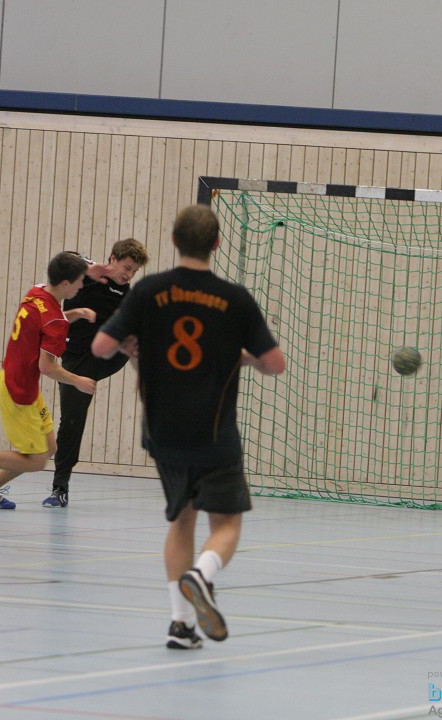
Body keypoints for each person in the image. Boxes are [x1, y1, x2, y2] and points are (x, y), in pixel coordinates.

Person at [92, 204, 285, 649]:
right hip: (214, 433)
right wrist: (241, 354)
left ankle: (180, 625)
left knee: (181, 521)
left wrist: (134, 344)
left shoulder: (148, 291)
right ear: (216, 244)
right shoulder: (235, 299)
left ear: (174, 242)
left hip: (163, 431)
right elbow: (274, 364)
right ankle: (202, 574)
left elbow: (102, 346)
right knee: (227, 523)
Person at [0, 251, 97, 507]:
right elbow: (47, 367)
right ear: (66, 284)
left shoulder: (37, 292)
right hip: (19, 390)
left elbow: (46, 322)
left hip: (20, 382)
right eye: (80, 280)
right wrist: (78, 380)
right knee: (35, 460)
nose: (82, 285)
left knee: (49, 448)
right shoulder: (56, 321)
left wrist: (75, 313)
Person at [43, 238, 149, 509]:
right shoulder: (87, 276)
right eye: (126, 267)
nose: (128, 274)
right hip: (76, 360)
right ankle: (60, 486)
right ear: (112, 259)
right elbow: (63, 258)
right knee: (72, 420)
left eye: (134, 271)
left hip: (106, 357)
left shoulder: (128, 295)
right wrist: (87, 264)